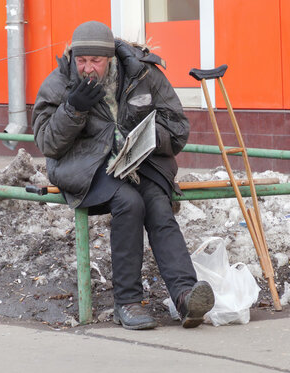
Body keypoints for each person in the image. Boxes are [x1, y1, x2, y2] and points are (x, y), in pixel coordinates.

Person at [32, 21, 214, 330]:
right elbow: (47, 142)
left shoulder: (143, 73)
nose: (88, 68)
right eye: (82, 60)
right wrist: (73, 110)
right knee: (129, 202)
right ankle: (127, 303)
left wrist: (145, 136)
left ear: (111, 58)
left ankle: (185, 296)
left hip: (139, 164)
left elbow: (178, 127)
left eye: (96, 61)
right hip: (85, 169)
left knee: (157, 204)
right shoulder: (59, 83)